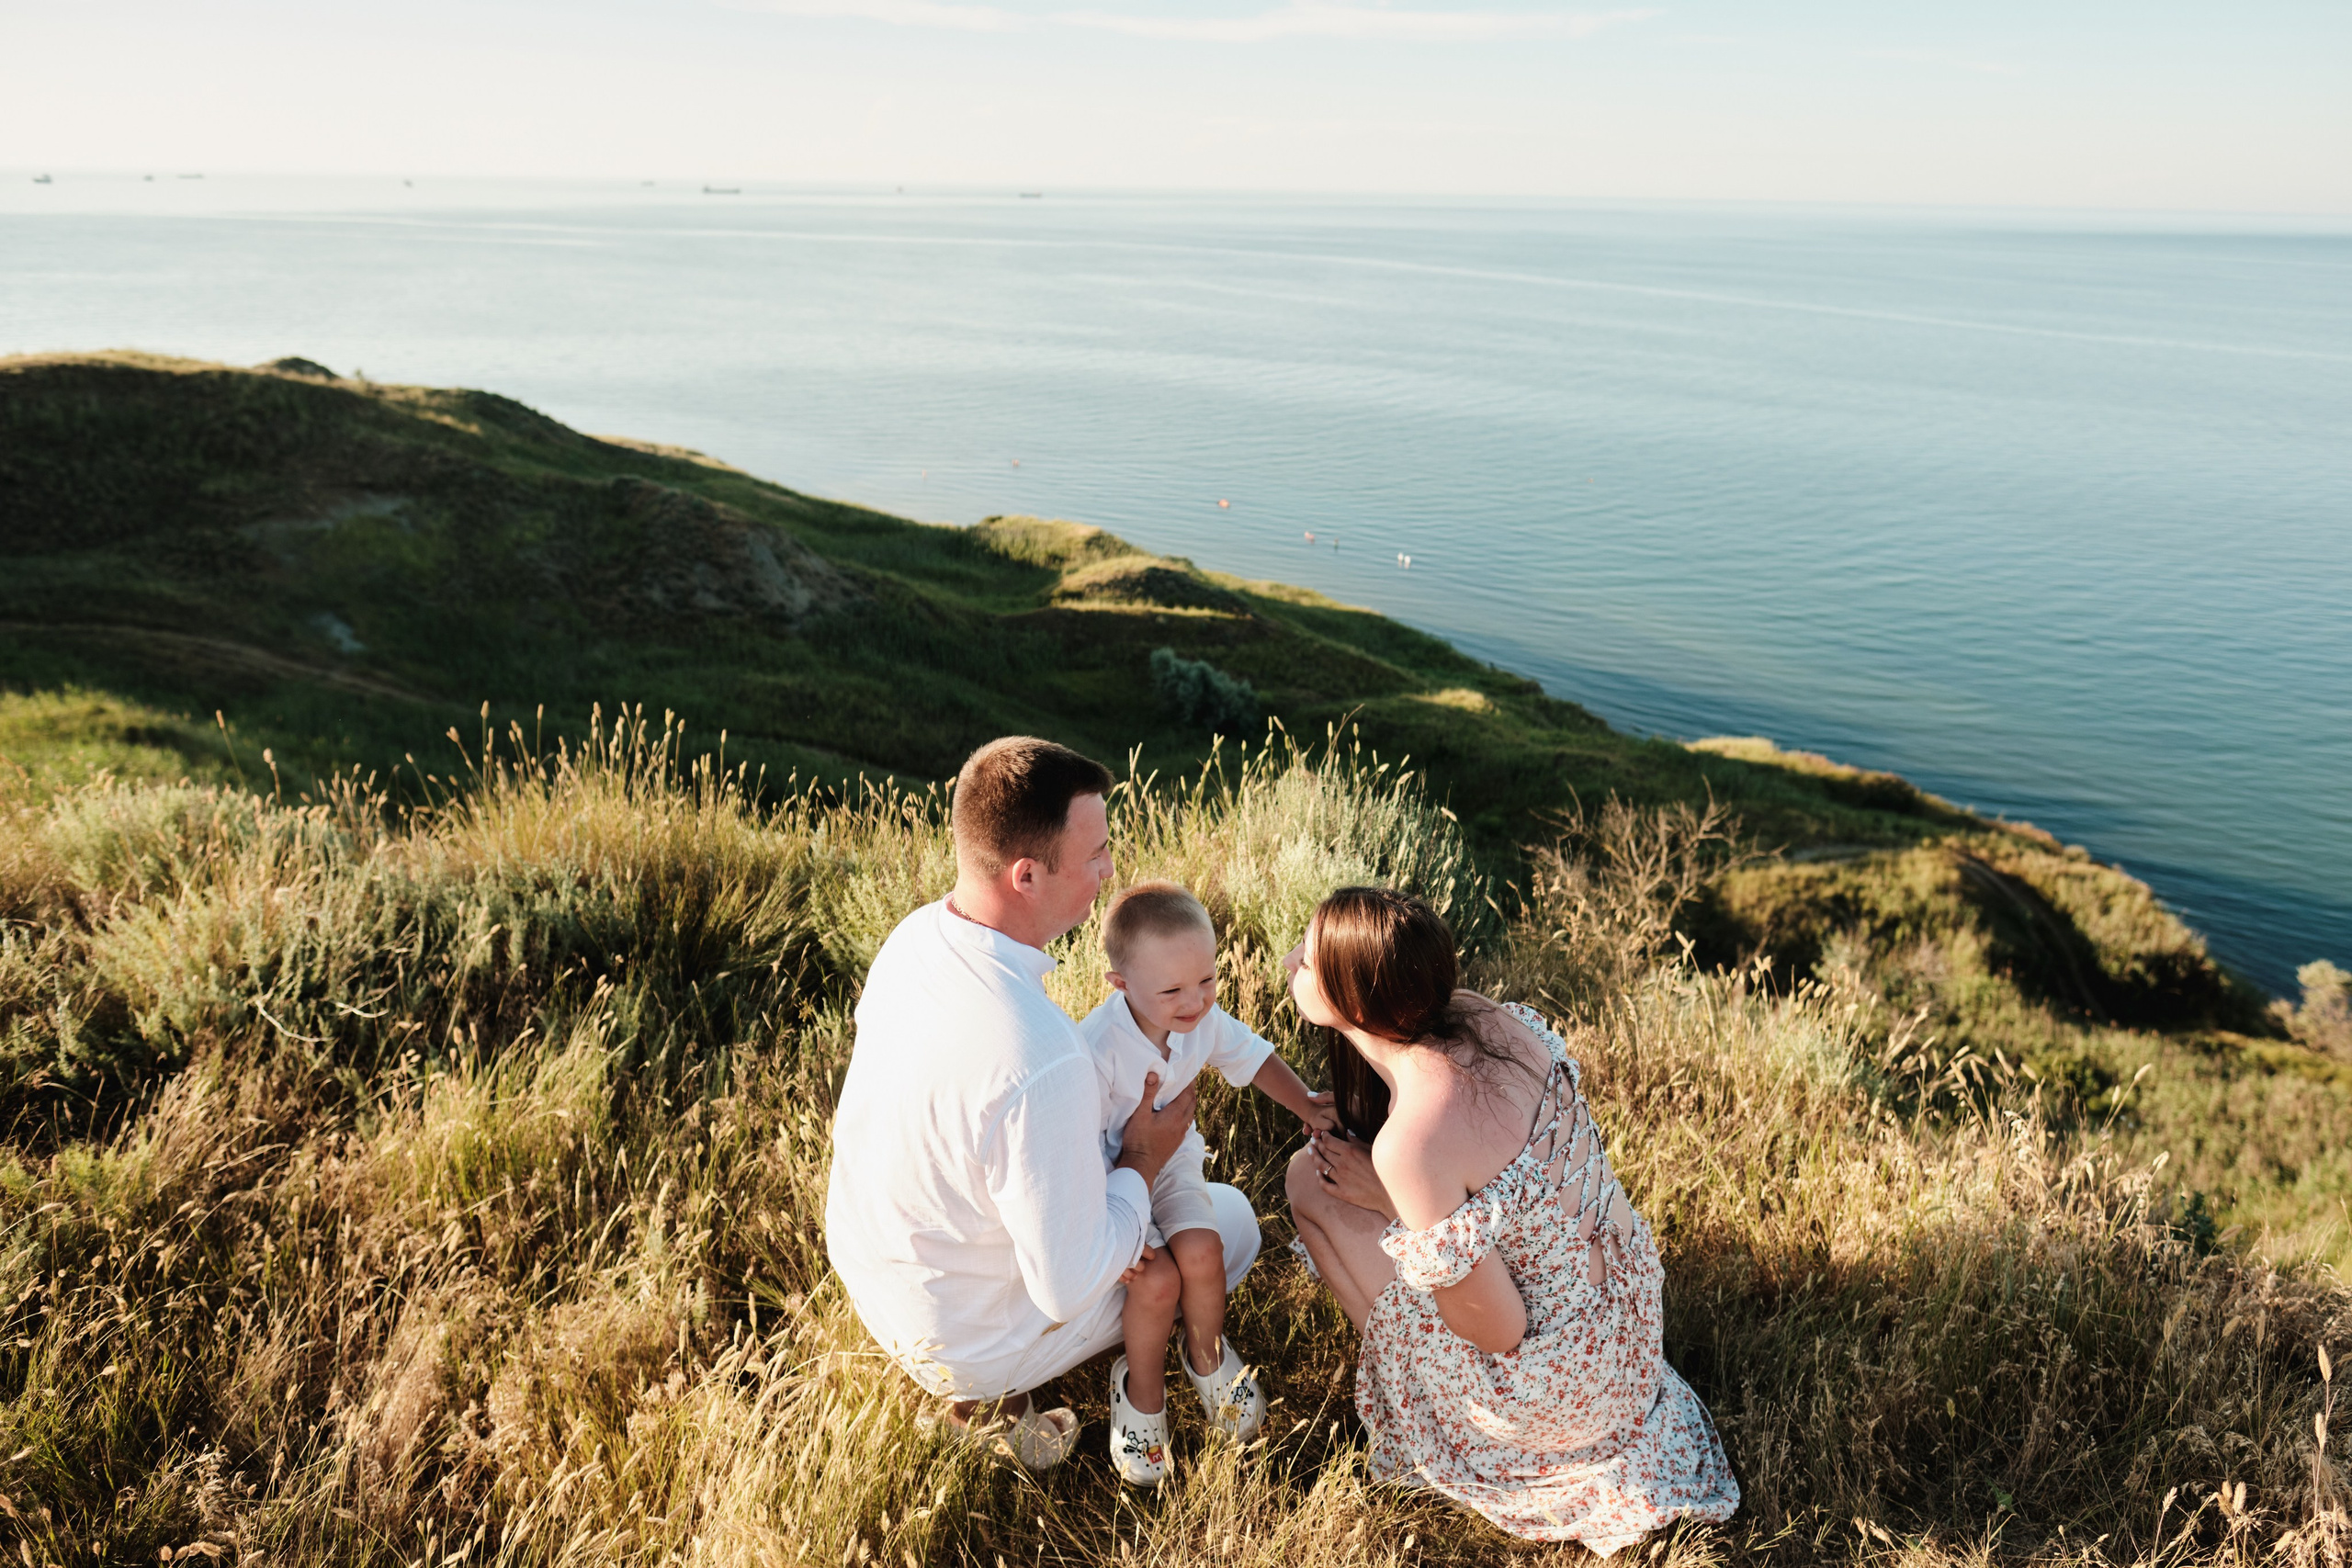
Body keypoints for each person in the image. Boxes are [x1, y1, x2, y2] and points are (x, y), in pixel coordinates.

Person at [823, 737, 1262, 1471]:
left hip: (882, 1279)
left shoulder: (916, 939)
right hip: (963, 1334)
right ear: (1027, 875)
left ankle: (993, 1391)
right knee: (1233, 1225)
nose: (1110, 870)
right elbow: (1069, 1279)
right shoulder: (1042, 1054)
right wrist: (1143, 1157)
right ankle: (1000, 1392)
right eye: (1093, 855)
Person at [1283, 887, 1739, 1555]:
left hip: (1564, 1395)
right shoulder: (1484, 1019)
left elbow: (1498, 1330)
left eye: (1310, 956)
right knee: (1336, 1176)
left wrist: (1390, 1201)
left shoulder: (1410, 1145)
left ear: (1354, 1003)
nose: (1293, 957)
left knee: (1305, 1179)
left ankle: (1419, 1419)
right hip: (1631, 1326)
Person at [1079, 880, 1337, 1484]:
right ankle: (1141, 1392)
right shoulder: (1096, 1049)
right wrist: (1107, 1225)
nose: (1195, 1001)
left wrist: (1304, 1101)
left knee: (1202, 1249)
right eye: (1172, 990)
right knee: (1155, 1278)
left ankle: (1208, 1358)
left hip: (1173, 1162)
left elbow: (1250, 1055)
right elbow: (1076, 1146)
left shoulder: (1201, 1020)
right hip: (1109, 1181)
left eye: (1208, 980)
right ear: (1120, 984)